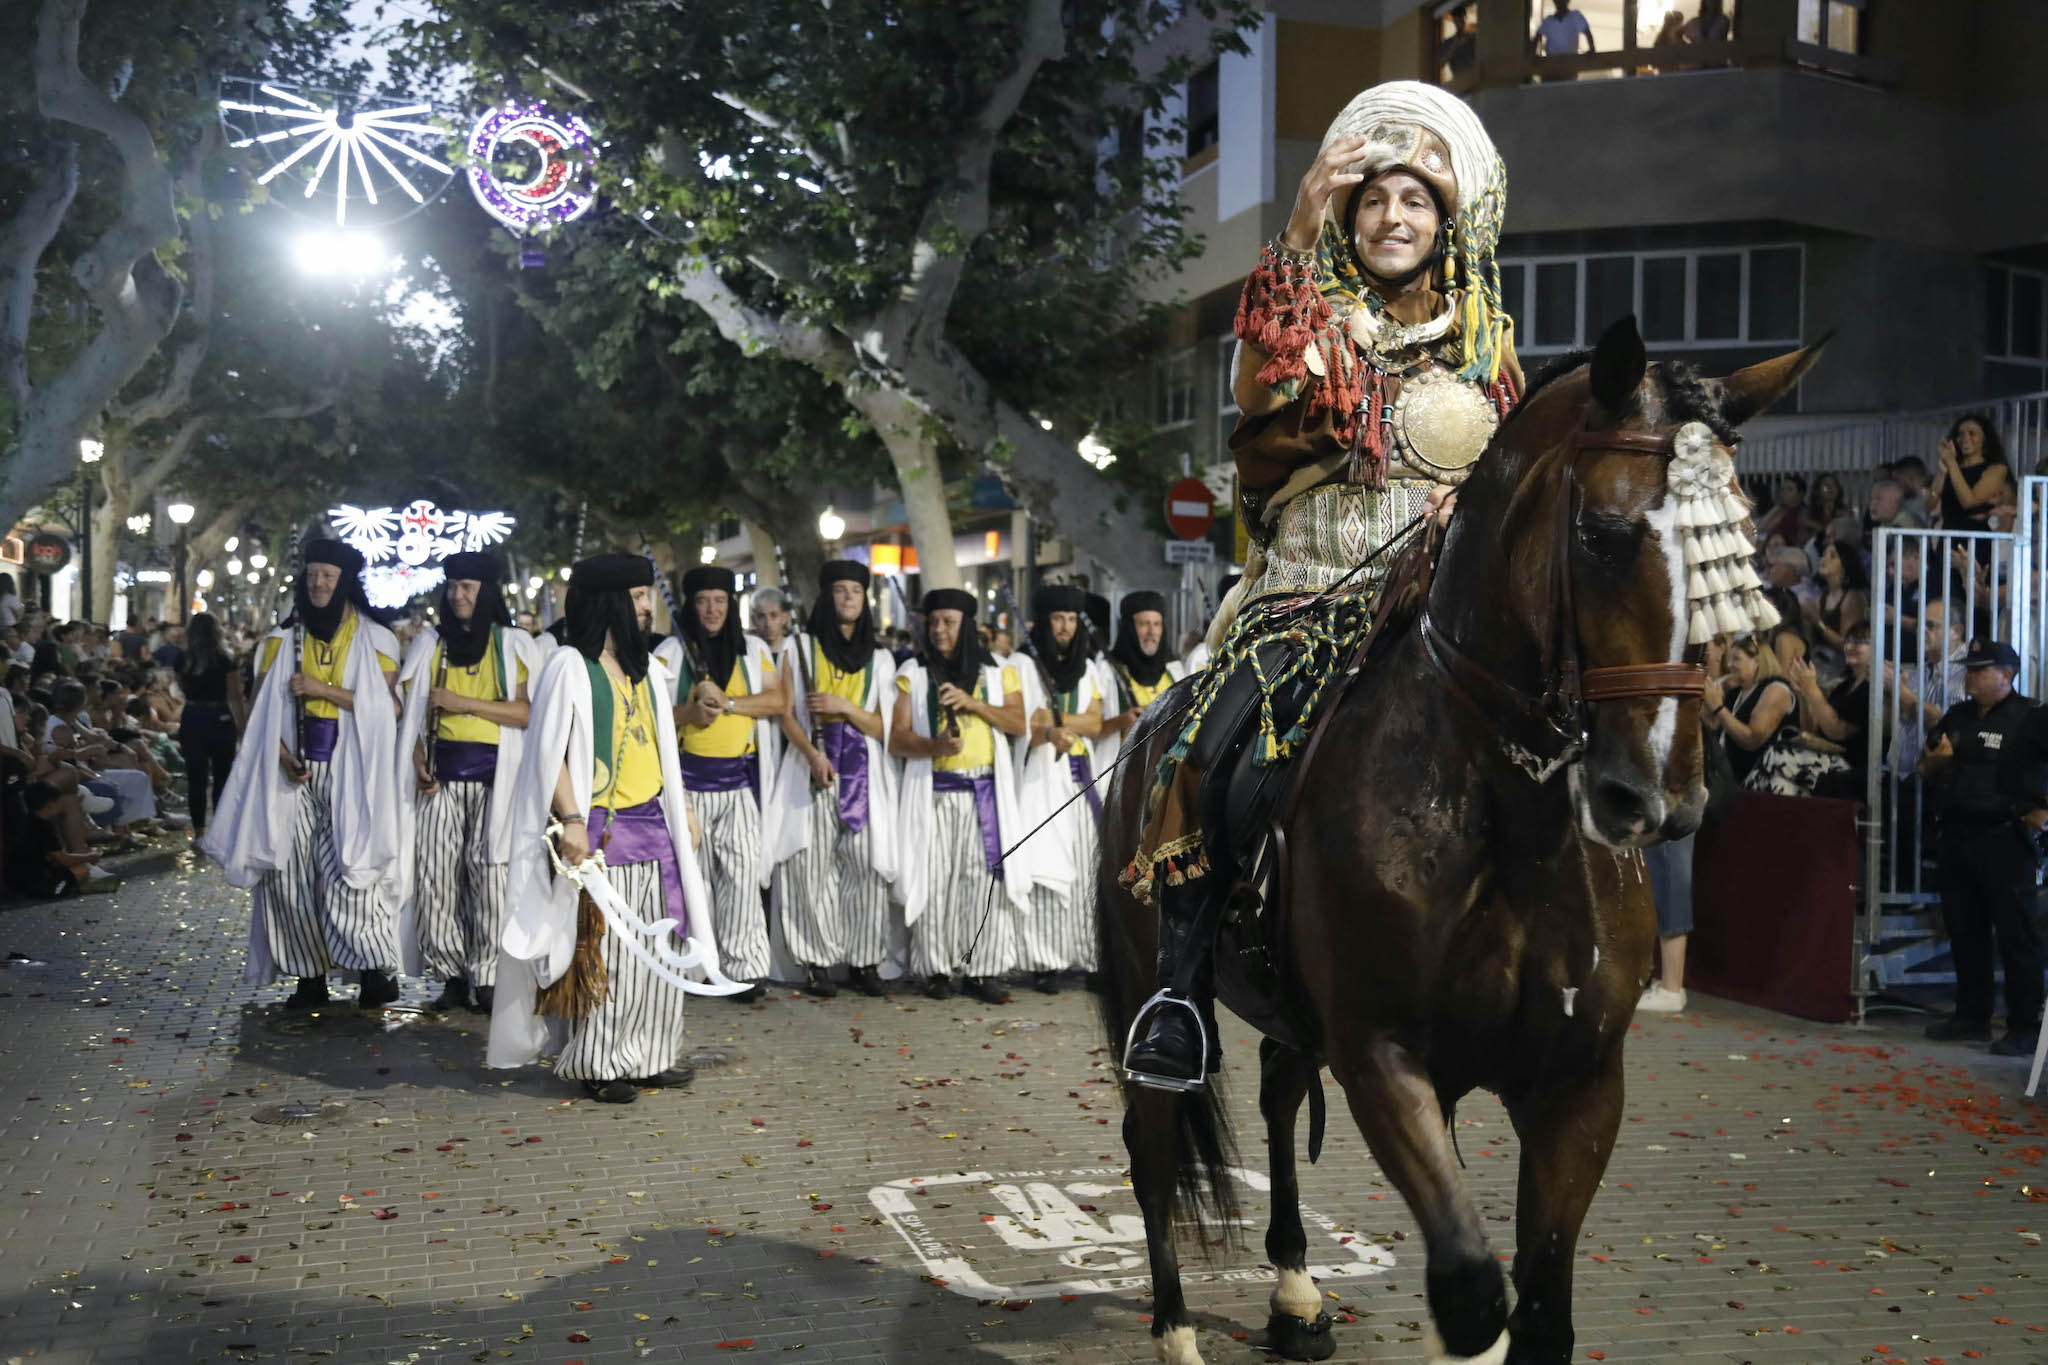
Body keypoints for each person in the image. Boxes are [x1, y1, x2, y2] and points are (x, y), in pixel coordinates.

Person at [1123, 81, 1524, 1086]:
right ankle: (1178, 989)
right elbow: (1256, 387)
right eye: (1373, 199)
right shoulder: (1305, 318)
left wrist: (1470, 510)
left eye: (1416, 201)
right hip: (1302, 602)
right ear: (1346, 215)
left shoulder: (1487, 345)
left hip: (1441, 614)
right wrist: (1295, 226)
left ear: (1447, 220)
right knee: (1207, 743)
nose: (1394, 217)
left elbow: (1516, 477)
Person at [488, 552, 710, 1103]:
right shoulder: (570, 665)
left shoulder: (648, 672)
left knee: (657, 955)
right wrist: (570, 820)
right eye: (637, 598)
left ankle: (652, 1054)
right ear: (610, 602)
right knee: (605, 957)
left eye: (647, 596)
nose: (646, 607)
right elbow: (552, 753)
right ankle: (602, 1062)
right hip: (602, 839)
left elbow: (663, 753)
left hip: (655, 832)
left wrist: (683, 811)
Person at [199, 540, 405, 1011]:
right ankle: (306, 975)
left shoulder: (377, 639)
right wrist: (279, 754)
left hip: (350, 765)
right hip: (291, 768)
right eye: (312, 574)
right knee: (287, 873)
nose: (318, 583)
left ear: (344, 581)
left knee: (349, 870)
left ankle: (373, 970)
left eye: (328, 575)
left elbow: (389, 708)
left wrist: (323, 690)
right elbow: (255, 717)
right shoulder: (278, 641)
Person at [396, 554, 539, 1015]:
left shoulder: (512, 642)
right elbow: (411, 714)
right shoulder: (429, 644)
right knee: (435, 877)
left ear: (487, 592)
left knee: (490, 877)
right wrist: (418, 762)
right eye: (454, 586)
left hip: (498, 779)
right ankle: (451, 976)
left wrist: (460, 702)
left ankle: (490, 975)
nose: (459, 595)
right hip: (440, 779)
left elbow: (524, 712)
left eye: (469, 587)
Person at [890, 588, 1033, 1002]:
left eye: (948, 622)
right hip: (935, 794)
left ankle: (983, 970)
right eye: (933, 622)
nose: (938, 630)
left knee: (983, 881)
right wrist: (934, 747)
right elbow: (897, 739)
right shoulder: (914, 674)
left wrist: (973, 703)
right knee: (935, 879)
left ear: (966, 627)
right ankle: (936, 969)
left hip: (985, 791)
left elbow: (1017, 722)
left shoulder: (997, 672)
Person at [770, 561, 899, 998]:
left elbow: (882, 727)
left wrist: (844, 706)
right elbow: (786, 712)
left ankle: (865, 960)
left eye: (855, 591)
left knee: (865, 864)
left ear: (865, 599)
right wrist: (810, 754)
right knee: (811, 866)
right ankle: (816, 961)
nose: (847, 598)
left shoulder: (881, 658)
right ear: (828, 596)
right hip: (814, 766)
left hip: (862, 770)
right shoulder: (801, 646)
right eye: (840, 590)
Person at [655, 565, 785, 999]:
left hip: (737, 783)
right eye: (702, 601)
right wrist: (690, 713)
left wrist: (728, 703)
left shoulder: (752, 650)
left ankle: (745, 968)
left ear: (731, 606)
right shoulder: (670, 653)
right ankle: (696, 968)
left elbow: (777, 700)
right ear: (691, 607)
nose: (711, 610)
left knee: (742, 876)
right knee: (694, 880)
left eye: (720, 601)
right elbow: (653, 718)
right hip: (688, 787)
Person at [1917, 641, 2041, 1058]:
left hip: (2004, 838)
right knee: (1964, 930)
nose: (1969, 675)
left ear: (2006, 675)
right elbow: (1924, 766)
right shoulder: (1958, 715)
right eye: (1968, 668)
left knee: (2015, 936)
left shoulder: (2030, 718)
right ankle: (1972, 1015)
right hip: (1957, 835)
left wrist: (2042, 811)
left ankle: (2025, 1025)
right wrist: (1935, 762)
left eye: (1979, 669)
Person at [1013, 585, 1108, 995]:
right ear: (1044, 622)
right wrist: (1052, 727)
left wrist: (1058, 722)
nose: (1066, 627)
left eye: (1071, 619)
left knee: (1086, 868)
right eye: (1058, 619)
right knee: (1044, 870)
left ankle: (1086, 958)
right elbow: (1025, 721)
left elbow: (1097, 722)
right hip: (1038, 778)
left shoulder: (1088, 668)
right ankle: (1044, 962)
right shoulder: (1022, 664)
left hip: (1080, 779)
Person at [1788, 621, 1878, 801]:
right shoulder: (1844, 686)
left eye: (1859, 642)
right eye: (1848, 641)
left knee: (1780, 757)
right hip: (1826, 759)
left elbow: (1835, 730)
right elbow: (1811, 732)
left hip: (1853, 767)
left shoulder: (1874, 689)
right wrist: (1803, 695)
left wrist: (1812, 689)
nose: (1850, 646)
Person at [175, 613, 243, 838]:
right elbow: (235, 695)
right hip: (220, 716)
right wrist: (241, 724)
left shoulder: (182, 659)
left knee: (196, 777)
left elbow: (182, 688)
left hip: (193, 715)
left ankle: (199, 830)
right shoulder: (226, 658)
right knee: (223, 775)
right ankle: (221, 829)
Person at [1705, 635, 1796, 790]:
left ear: (1757, 662)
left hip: (1764, 783)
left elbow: (1752, 739)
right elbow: (1715, 726)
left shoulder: (1776, 689)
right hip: (1729, 780)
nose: (1729, 665)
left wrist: (1718, 708)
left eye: (1736, 659)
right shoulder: (1736, 692)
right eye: (1729, 659)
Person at [1931, 414, 2009, 540]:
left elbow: (1969, 502)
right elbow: (1930, 504)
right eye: (1960, 434)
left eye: (1972, 433)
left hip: (1975, 541)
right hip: (1947, 538)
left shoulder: (1996, 469)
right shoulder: (1952, 467)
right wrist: (1942, 472)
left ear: (1985, 439)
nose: (1965, 438)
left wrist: (1951, 463)